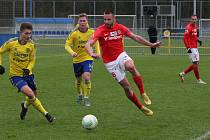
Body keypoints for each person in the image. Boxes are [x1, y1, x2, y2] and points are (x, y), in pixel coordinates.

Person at [85, 10, 160, 116]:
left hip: (121, 55)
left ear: (114, 18)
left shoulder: (120, 27)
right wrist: (91, 53)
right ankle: (141, 107)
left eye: (109, 19)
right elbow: (88, 44)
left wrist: (151, 45)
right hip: (110, 63)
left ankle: (143, 92)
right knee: (127, 87)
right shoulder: (100, 30)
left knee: (131, 66)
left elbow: (135, 37)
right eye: (105, 19)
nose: (106, 21)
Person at [0, 22, 55, 123]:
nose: (28, 36)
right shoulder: (11, 43)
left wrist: (28, 69)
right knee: (30, 94)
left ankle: (24, 106)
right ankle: (47, 115)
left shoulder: (32, 45)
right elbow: (0, 52)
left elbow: (32, 60)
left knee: (33, 95)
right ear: (20, 32)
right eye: (26, 33)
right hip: (15, 76)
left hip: (28, 74)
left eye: (30, 33)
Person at [65, 13, 100, 107]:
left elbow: (96, 42)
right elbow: (66, 45)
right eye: (81, 21)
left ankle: (86, 98)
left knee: (87, 77)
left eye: (84, 20)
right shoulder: (74, 34)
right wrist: (72, 53)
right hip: (76, 60)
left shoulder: (92, 32)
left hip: (88, 58)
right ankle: (80, 94)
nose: (82, 22)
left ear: (87, 21)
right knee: (79, 80)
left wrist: (97, 53)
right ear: (78, 22)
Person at [179, 15, 206, 84]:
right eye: (193, 19)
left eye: (195, 19)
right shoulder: (188, 27)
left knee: (196, 63)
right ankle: (198, 80)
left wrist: (198, 40)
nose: (194, 20)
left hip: (195, 47)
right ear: (190, 20)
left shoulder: (195, 27)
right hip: (191, 48)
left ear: (196, 20)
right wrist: (188, 48)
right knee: (195, 63)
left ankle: (182, 73)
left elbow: (193, 36)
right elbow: (185, 38)